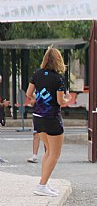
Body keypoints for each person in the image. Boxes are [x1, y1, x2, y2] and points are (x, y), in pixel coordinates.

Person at [25, 47, 70, 196]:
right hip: (52, 119)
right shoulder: (58, 79)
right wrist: (67, 99)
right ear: (58, 61)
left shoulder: (37, 74)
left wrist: (36, 100)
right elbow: (60, 101)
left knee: (48, 151)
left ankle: (44, 183)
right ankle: (42, 185)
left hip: (38, 117)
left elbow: (28, 93)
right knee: (55, 153)